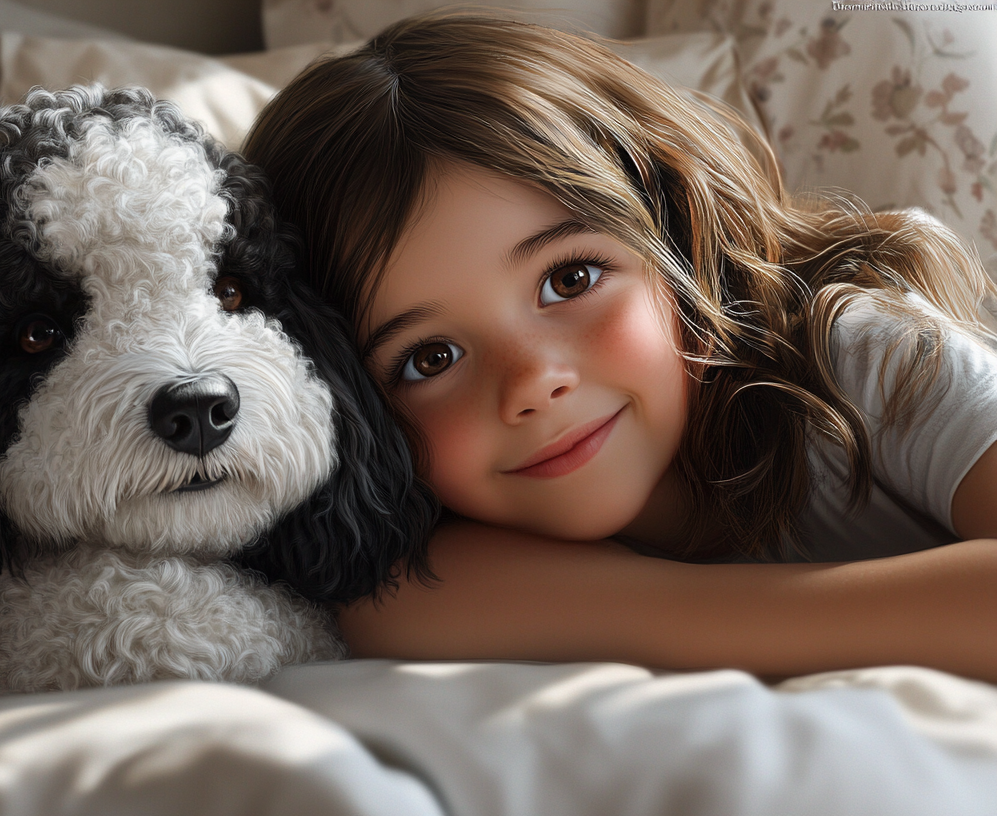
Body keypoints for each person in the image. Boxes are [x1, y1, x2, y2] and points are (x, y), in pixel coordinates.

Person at [241, 11, 997, 681]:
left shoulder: (865, 358)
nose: (534, 382)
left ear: (676, 233)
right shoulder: (418, 573)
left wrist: (676, 615)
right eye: (429, 359)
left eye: (569, 279)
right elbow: (391, 611)